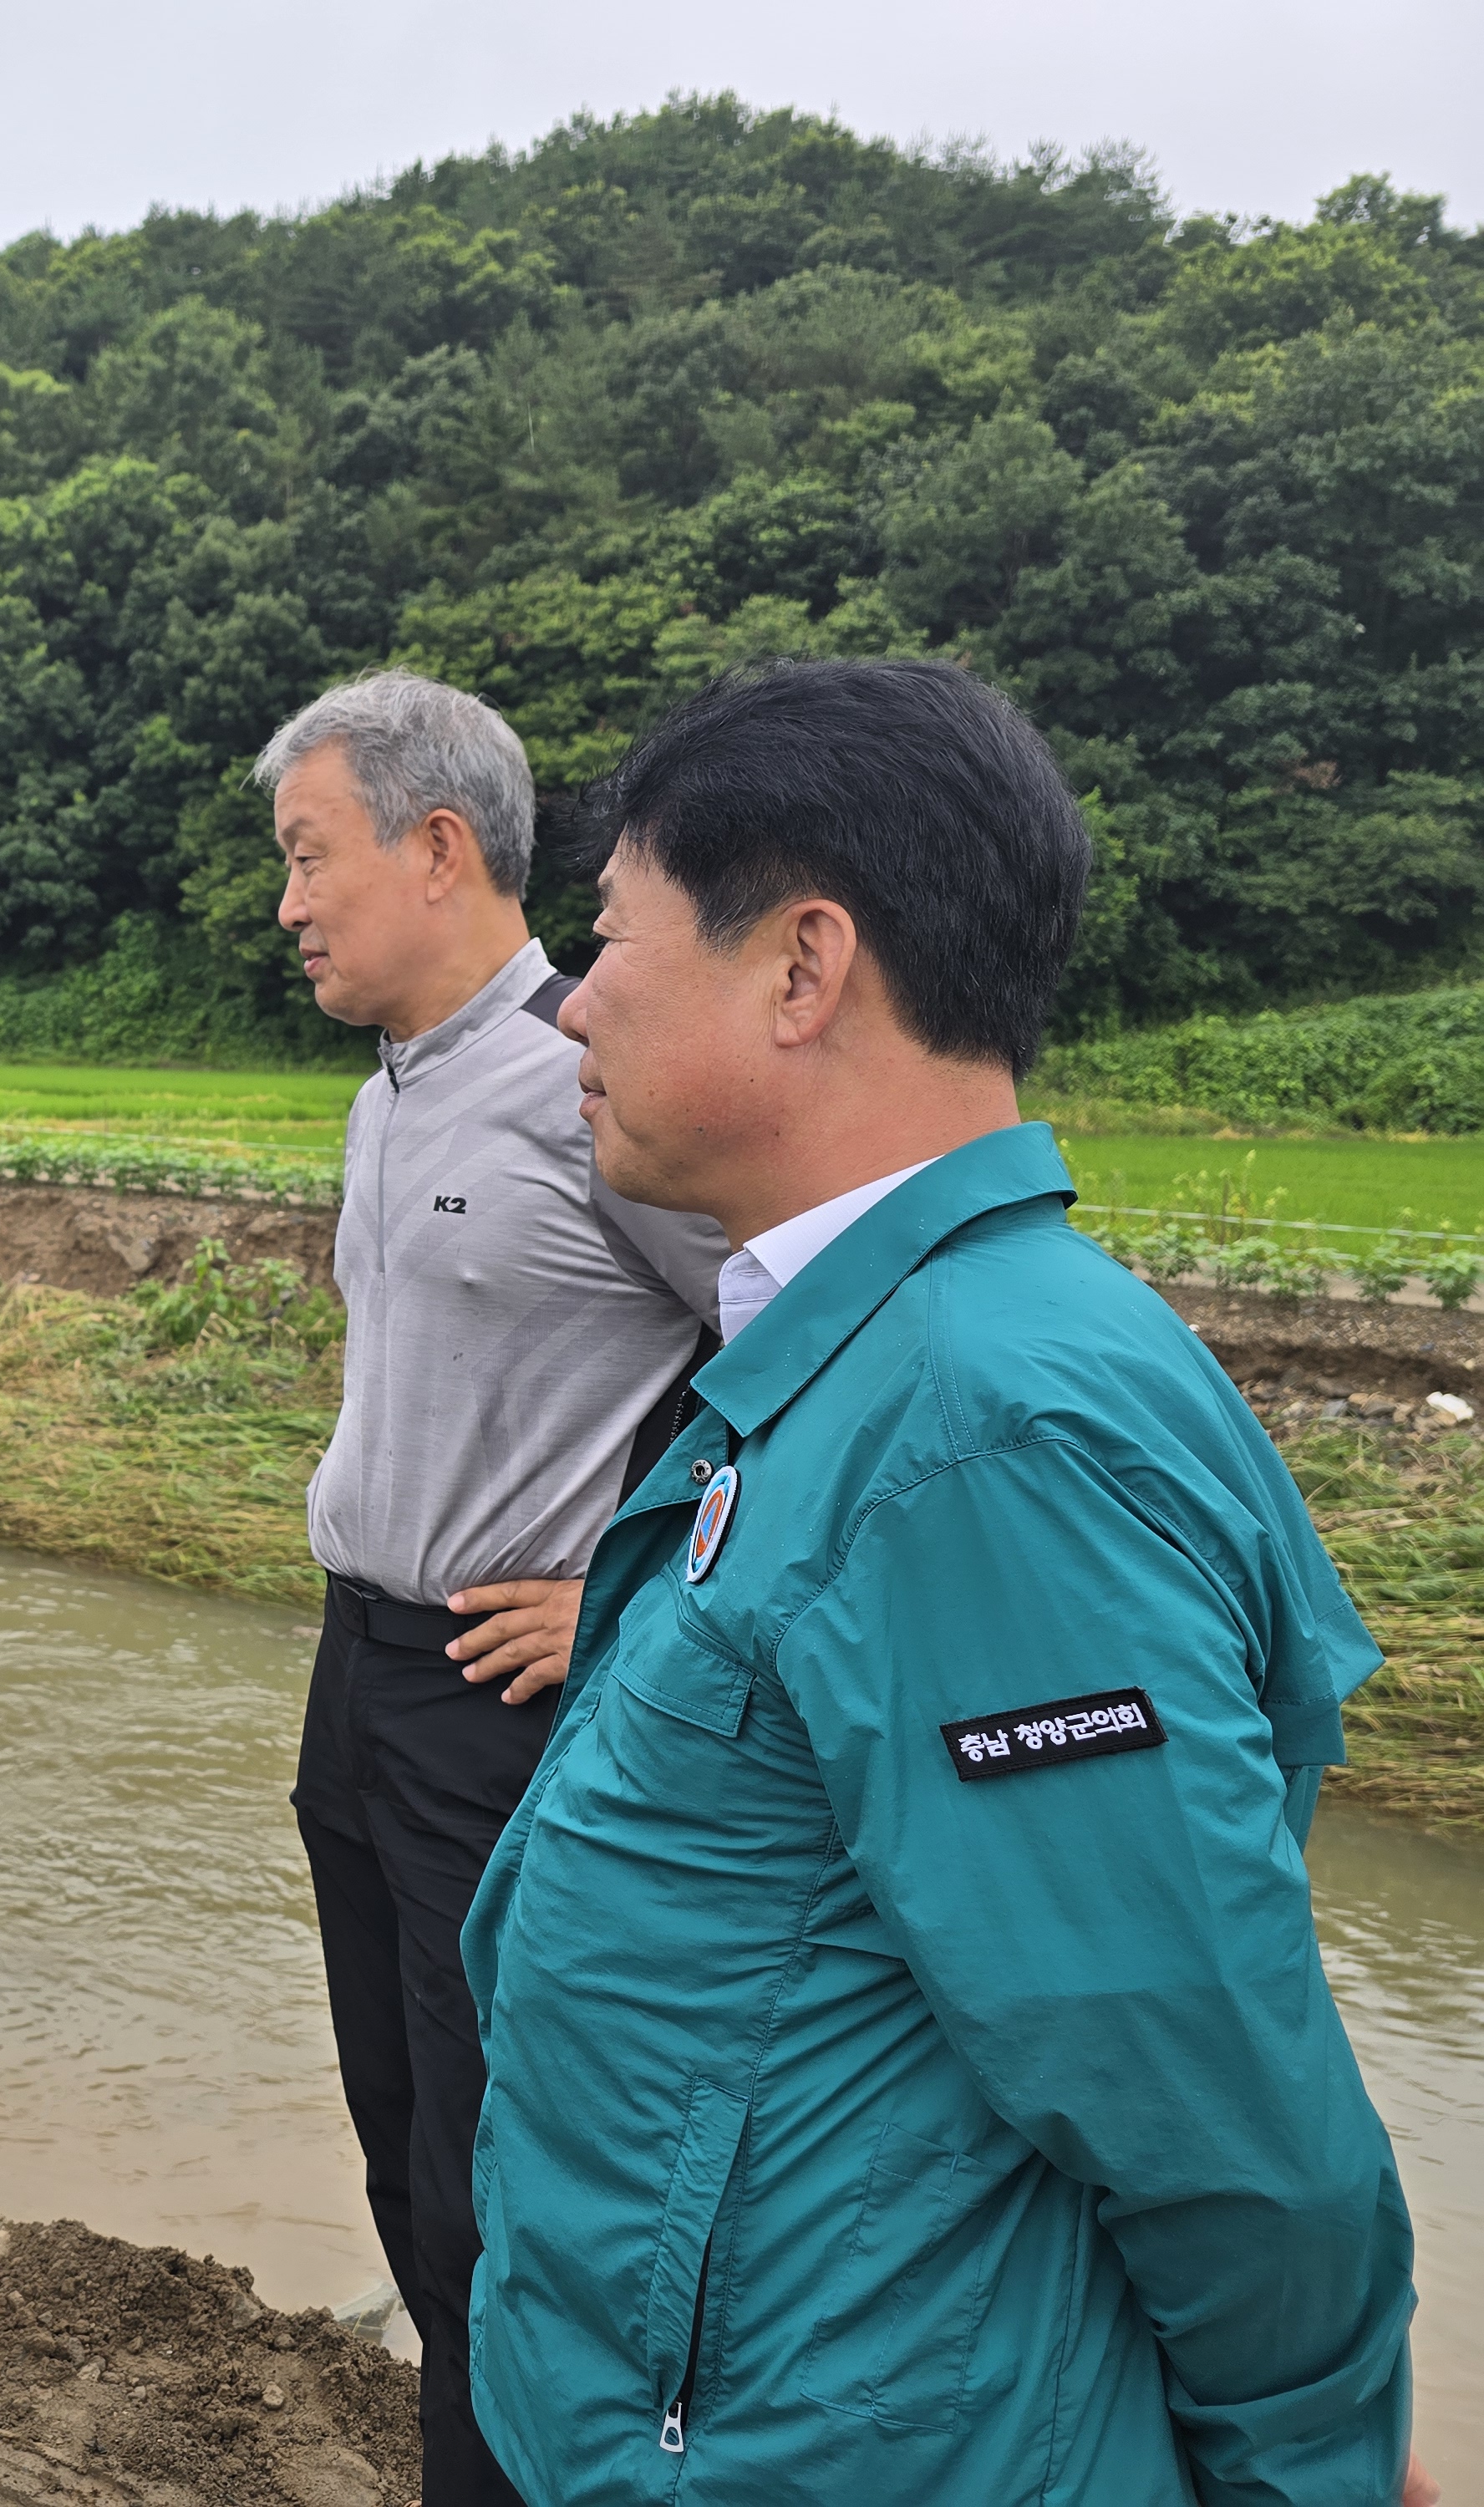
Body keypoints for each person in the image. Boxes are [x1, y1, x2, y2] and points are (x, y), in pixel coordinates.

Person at [465, 658, 1430, 2504]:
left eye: (609, 936)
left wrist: (1307, 2471)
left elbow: (1203, 2095)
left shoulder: (982, 1439)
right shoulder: (872, 1354)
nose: (570, 1004)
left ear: (799, 966)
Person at [257, 671, 724, 2506]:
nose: (285, 904)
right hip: (353, 1681)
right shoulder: (388, 1098)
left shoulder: (581, 1081)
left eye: (308, 859)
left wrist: (623, 1590)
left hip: (496, 1709)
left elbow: (789, 1350)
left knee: (492, 2187)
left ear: (435, 846)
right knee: (398, 2153)